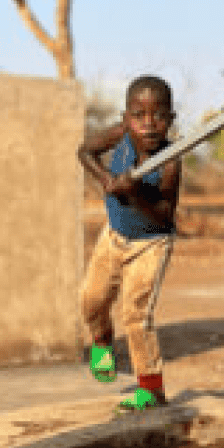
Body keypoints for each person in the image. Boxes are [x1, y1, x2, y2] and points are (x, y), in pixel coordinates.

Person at [78, 76, 181, 411]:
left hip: (150, 244)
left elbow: (164, 216)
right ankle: (102, 341)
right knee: (91, 301)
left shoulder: (170, 162)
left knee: (135, 314)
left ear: (171, 118)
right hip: (113, 237)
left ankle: (151, 390)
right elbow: (85, 151)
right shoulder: (119, 134)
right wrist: (106, 179)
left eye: (159, 116)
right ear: (126, 118)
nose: (149, 125)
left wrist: (135, 192)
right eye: (139, 116)